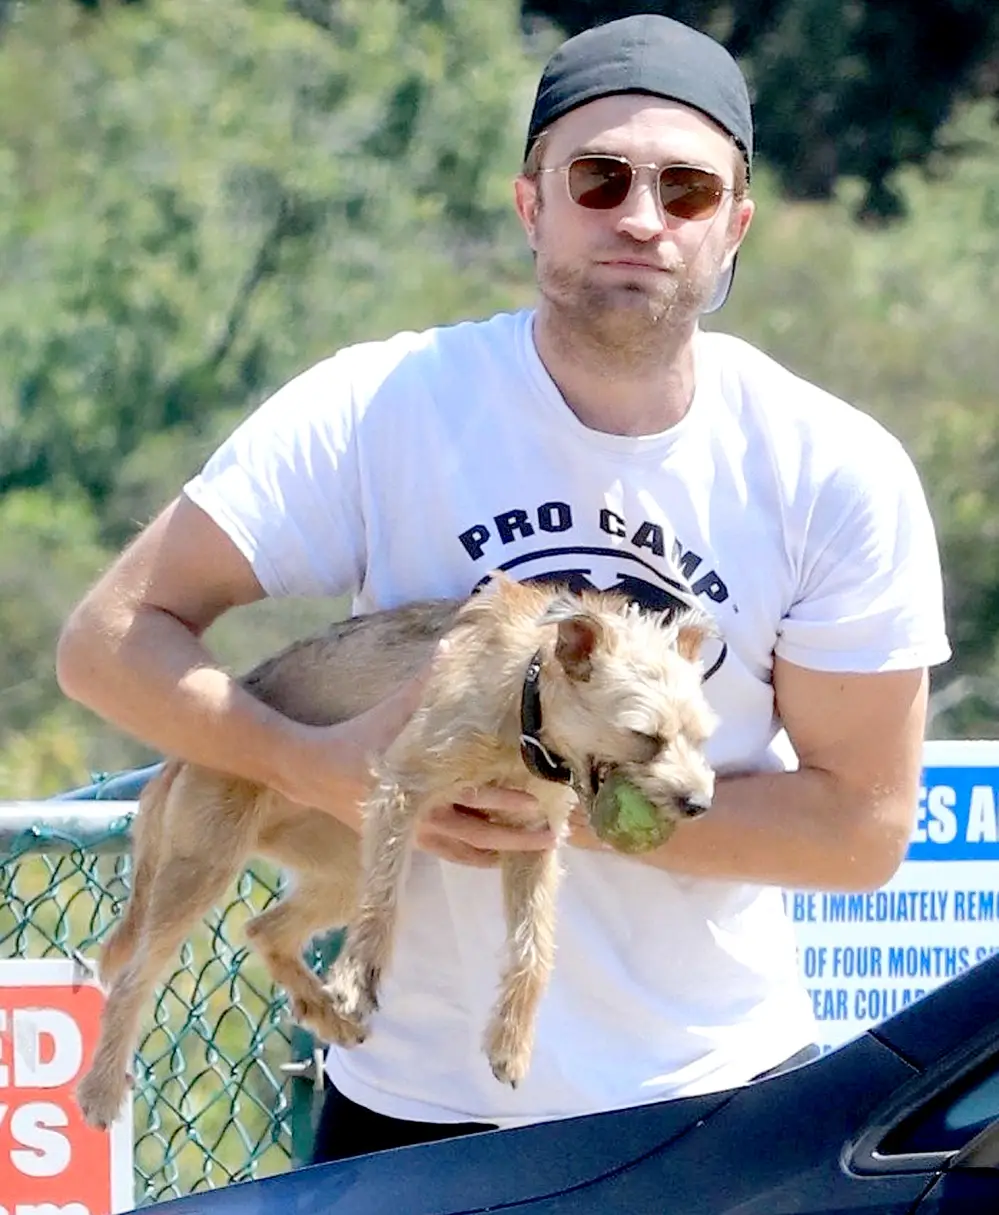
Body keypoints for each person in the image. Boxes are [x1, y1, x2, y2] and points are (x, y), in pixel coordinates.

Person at [56, 13, 950, 1165]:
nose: (641, 216)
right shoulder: (386, 404)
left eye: (686, 191)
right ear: (532, 204)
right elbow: (110, 642)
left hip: (714, 1109)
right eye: (599, 177)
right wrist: (310, 764)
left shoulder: (831, 467)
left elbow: (859, 831)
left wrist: (566, 796)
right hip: (408, 1117)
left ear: (735, 228)